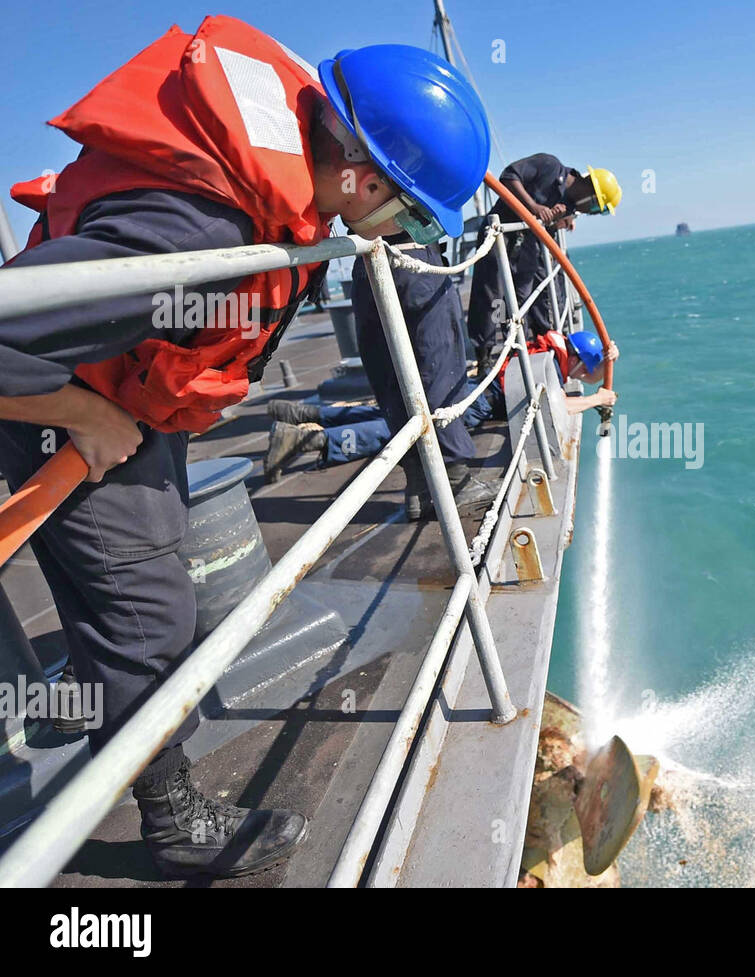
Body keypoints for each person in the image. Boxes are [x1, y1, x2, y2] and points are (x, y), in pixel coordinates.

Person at [0, 19, 491, 878]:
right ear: (360, 176)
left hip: (117, 389)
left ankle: (102, 703)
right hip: (59, 404)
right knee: (151, 616)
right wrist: (87, 415)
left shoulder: (291, 166)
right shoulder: (193, 241)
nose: (404, 235)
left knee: (129, 601)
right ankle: (169, 819)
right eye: (407, 213)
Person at [264, 230, 493, 519]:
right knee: (439, 384)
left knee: (395, 391)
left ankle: (315, 420)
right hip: (413, 258)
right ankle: (455, 482)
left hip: (370, 261)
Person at [466, 155, 621, 371]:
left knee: (521, 299)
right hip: (500, 233)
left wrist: (558, 218)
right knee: (492, 296)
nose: (588, 213)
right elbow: (508, 176)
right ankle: (484, 355)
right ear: (589, 189)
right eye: (595, 207)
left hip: (527, 245)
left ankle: (516, 350)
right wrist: (534, 207)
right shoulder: (549, 165)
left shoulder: (568, 203)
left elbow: (553, 221)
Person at [465, 330, 620, 427]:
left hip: (482, 393)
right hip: (477, 404)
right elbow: (561, 407)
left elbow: (591, 378)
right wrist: (598, 399)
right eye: (586, 368)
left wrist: (608, 362)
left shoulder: (555, 354)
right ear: (574, 360)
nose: (587, 373)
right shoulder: (549, 365)